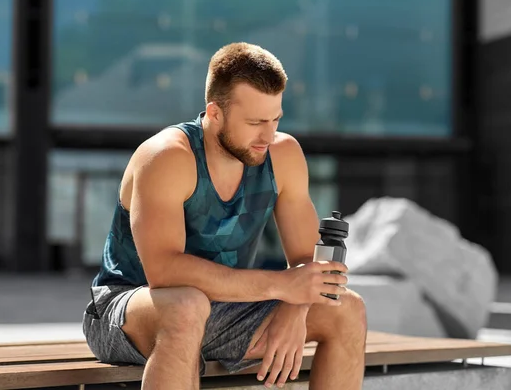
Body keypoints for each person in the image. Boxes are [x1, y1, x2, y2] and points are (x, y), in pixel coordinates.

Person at [82, 42, 367, 389]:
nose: (268, 134)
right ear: (215, 113)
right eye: (255, 122)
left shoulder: (283, 155)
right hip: (128, 310)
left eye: (276, 119)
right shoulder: (168, 157)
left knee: (348, 309)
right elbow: (164, 272)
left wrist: (297, 307)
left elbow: (310, 265)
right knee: (187, 305)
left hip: (226, 307)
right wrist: (283, 286)